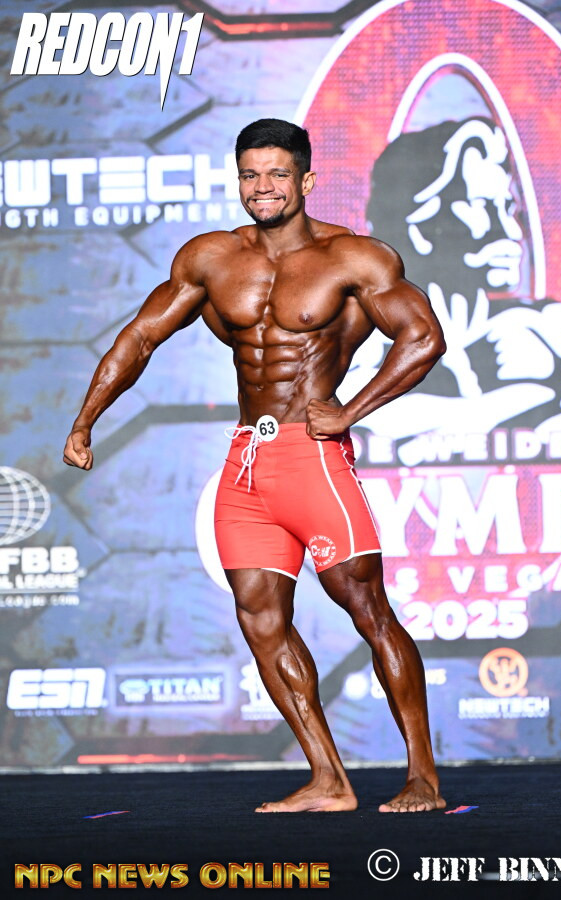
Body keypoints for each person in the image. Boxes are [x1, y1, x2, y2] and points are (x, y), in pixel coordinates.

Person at [63, 118, 447, 813]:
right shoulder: (212, 258)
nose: (262, 186)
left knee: (367, 609)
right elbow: (141, 337)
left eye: (277, 174)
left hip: (313, 459)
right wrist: (85, 421)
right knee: (261, 620)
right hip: (246, 463)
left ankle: (422, 775)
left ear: (306, 180)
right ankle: (328, 779)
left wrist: (350, 411)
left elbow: (423, 338)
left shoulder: (353, 258)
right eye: (250, 174)